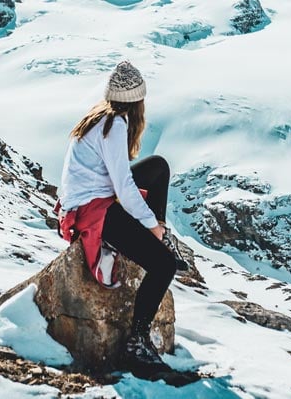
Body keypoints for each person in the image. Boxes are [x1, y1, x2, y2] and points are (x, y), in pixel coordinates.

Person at [57, 60, 187, 374]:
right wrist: (151, 226)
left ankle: (157, 242)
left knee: (157, 168)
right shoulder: (114, 124)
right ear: (137, 101)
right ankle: (137, 342)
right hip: (93, 210)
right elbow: (124, 188)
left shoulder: (98, 117)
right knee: (164, 265)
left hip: (88, 200)